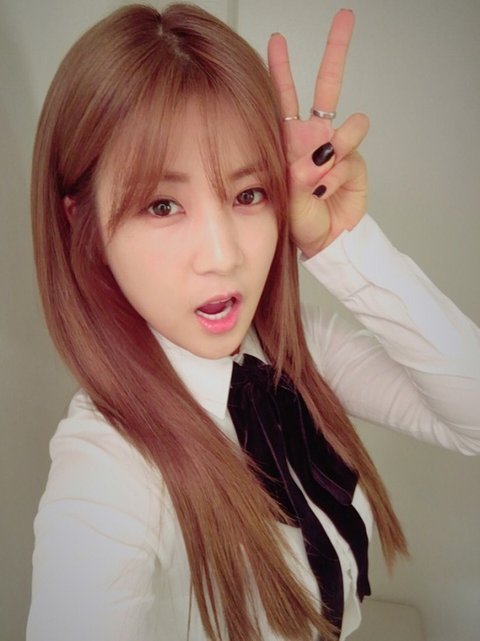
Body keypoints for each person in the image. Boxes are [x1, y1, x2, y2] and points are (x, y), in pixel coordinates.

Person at [27, 4, 480, 641]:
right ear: (85, 223)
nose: (224, 256)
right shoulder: (106, 461)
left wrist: (340, 243)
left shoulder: (292, 350)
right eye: (163, 205)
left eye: (248, 194)